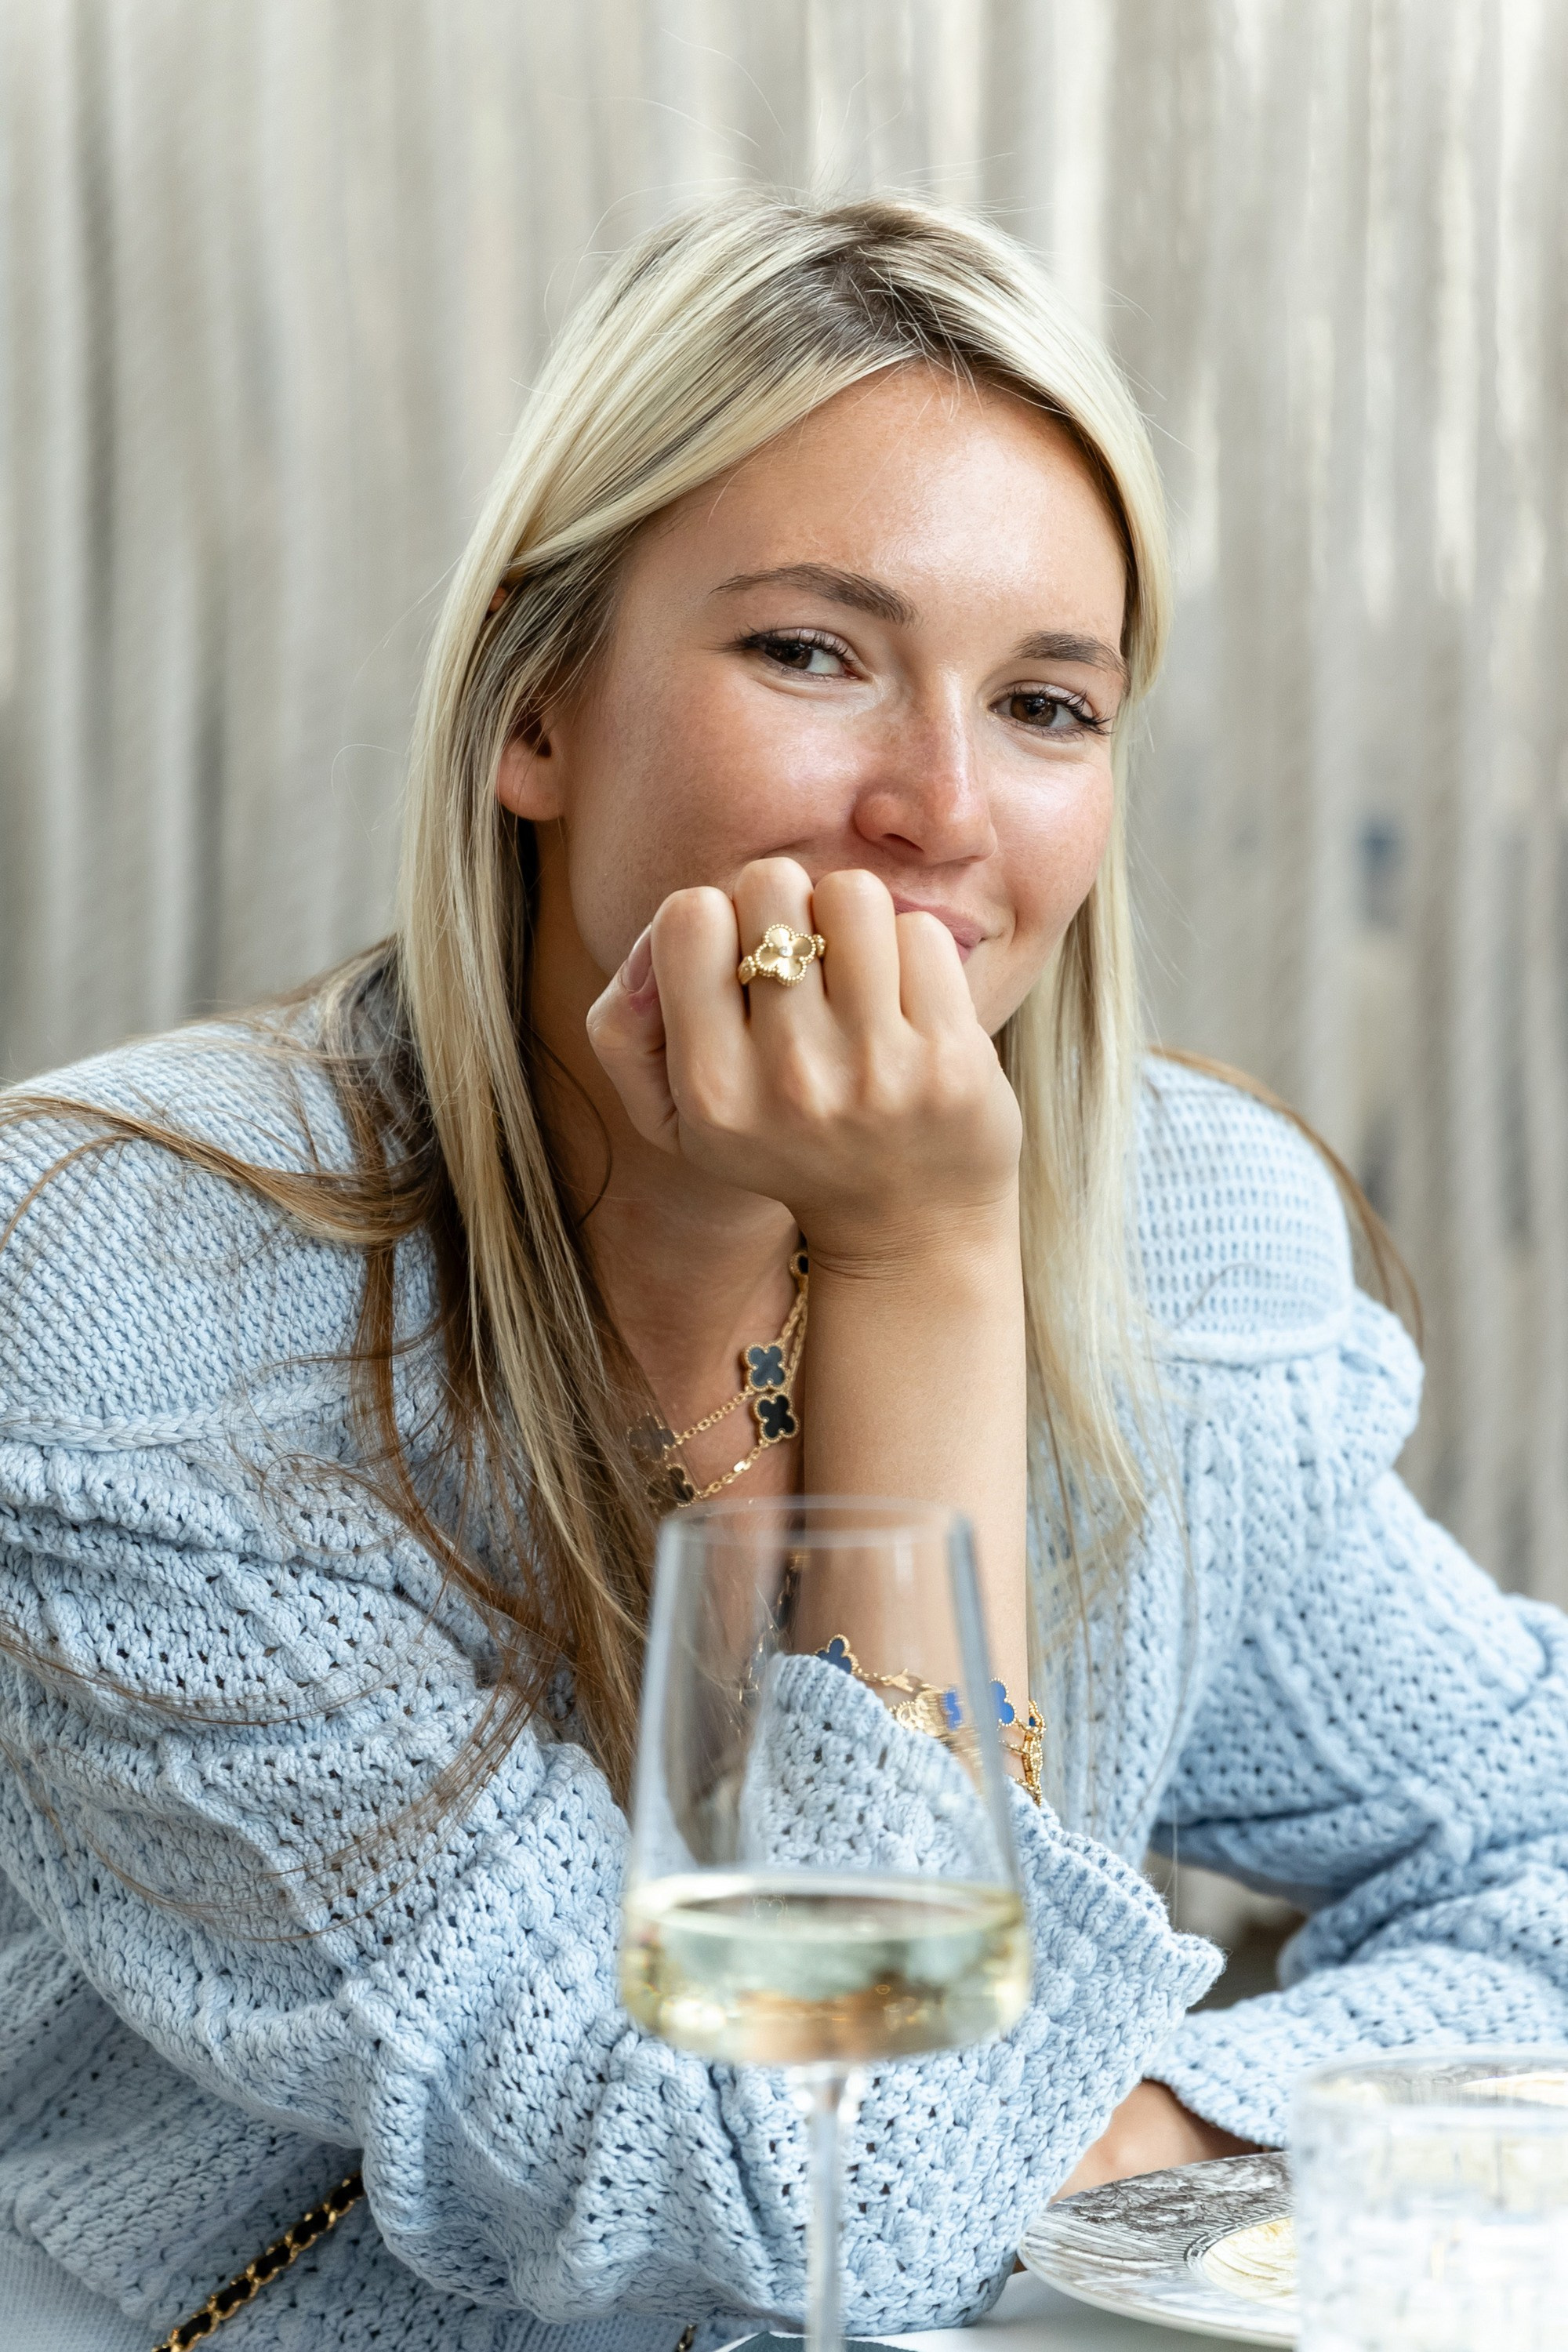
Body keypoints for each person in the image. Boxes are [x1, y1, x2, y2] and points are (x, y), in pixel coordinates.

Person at [1, 194, 1564, 2352]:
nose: (935, 807)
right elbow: (792, 2187)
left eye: (1044, 702)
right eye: (813, 652)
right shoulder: (126, 1309)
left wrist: (1167, 2118)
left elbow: (1543, 1861)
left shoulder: (1178, 1245)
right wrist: (915, 1263)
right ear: (536, 713)